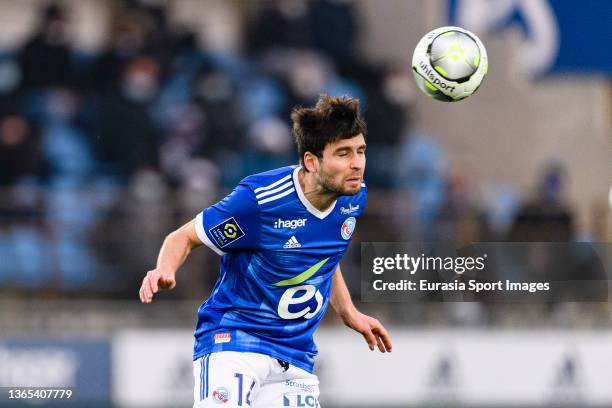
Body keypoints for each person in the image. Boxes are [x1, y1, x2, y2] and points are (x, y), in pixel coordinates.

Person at [139, 95, 392, 407]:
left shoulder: (353, 196)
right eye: (343, 154)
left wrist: (348, 311)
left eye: (360, 151)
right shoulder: (259, 200)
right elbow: (183, 237)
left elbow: (324, 257)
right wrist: (165, 268)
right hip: (234, 343)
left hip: (294, 357)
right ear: (312, 162)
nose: (356, 164)